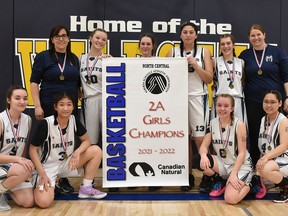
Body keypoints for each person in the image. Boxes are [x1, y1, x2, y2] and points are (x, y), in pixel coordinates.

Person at [29, 92, 107, 209]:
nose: (65, 108)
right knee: (43, 202)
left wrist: (77, 152)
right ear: (55, 107)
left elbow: (87, 141)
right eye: (61, 105)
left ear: (73, 106)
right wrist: (42, 173)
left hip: (67, 163)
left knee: (95, 150)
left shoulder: (74, 120)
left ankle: (86, 188)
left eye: (69, 104)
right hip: (47, 167)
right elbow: (32, 150)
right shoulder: (46, 124)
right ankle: (48, 185)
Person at [30, 24, 80, 193]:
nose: (61, 39)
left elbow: (80, 84)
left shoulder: (73, 58)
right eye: (57, 36)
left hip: (69, 107)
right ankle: (43, 174)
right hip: (49, 105)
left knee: (67, 141)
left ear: (69, 39)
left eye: (64, 36)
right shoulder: (43, 57)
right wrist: (37, 105)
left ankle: (63, 179)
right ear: (52, 39)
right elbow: (34, 82)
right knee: (49, 143)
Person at [166, 22, 213, 191]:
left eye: (191, 32)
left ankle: (208, 175)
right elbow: (164, 75)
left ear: (196, 35)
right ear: (180, 35)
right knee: (182, 138)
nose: (187, 35)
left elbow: (209, 79)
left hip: (197, 98)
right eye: (184, 32)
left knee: (200, 140)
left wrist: (196, 65)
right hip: (177, 99)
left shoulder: (203, 52)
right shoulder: (172, 52)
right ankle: (188, 175)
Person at [239, 24, 288, 168]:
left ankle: (280, 168)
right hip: (253, 103)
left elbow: (286, 77)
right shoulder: (245, 55)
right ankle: (256, 169)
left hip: (274, 103)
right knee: (255, 135)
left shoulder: (277, 52)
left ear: (264, 35)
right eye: (252, 36)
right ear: (249, 38)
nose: (256, 38)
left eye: (258, 34)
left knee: (277, 135)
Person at [195, 94, 253, 204]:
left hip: (240, 165)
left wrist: (233, 174)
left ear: (232, 108)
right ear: (215, 107)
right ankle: (220, 181)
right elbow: (203, 146)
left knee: (230, 199)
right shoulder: (212, 123)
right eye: (219, 105)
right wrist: (203, 156)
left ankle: (250, 183)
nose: (222, 109)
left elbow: (241, 153)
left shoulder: (239, 124)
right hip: (223, 163)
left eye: (226, 106)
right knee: (198, 160)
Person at [0, 86, 34, 211]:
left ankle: (4, 187)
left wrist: (23, 163)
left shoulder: (28, 120)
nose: (22, 101)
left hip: (13, 166)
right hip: (2, 164)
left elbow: (23, 149)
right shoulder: (1, 120)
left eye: (25, 98)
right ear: (9, 100)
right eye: (17, 98)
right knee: (23, 169)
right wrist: (19, 161)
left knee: (28, 202)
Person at [255, 90, 288, 203]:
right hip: (271, 158)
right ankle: (277, 181)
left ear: (280, 103)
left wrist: (265, 159)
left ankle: (285, 187)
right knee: (258, 171)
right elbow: (264, 145)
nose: (269, 105)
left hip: (284, 158)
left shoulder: (283, 121)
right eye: (266, 101)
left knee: (264, 169)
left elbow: (284, 146)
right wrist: (261, 160)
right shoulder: (263, 119)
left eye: (273, 102)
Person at [79, 28, 111, 147]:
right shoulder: (81, 59)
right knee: (91, 139)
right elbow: (76, 79)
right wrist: (78, 90)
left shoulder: (108, 59)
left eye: (104, 39)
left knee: (110, 135)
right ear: (91, 39)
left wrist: (111, 62)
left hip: (106, 100)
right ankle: (92, 164)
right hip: (90, 100)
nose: (100, 41)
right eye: (97, 37)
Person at [212, 34, 247, 126]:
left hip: (237, 101)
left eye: (228, 43)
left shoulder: (241, 62)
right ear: (219, 47)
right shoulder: (214, 61)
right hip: (220, 101)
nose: (226, 46)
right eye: (223, 44)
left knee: (238, 131)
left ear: (233, 45)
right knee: (219, 132)